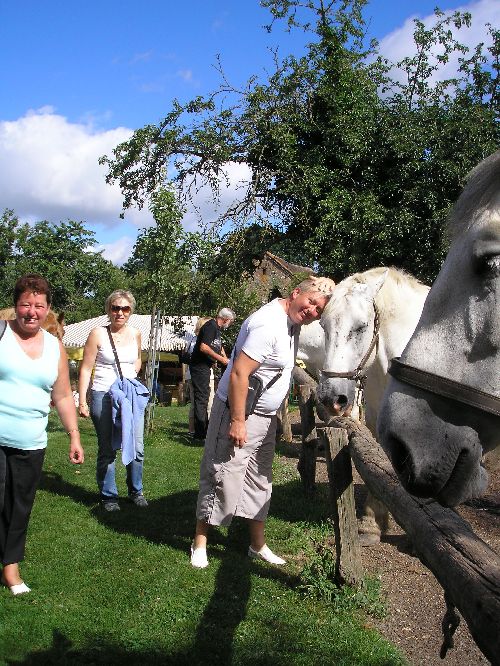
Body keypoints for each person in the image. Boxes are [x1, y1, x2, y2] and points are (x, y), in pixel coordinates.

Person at [191, 277, 336, 568]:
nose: (312, 311)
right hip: (240, 412)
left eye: (319, 309)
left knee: (260, 479)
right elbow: (239, 374)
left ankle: (257, 545)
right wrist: (237, 420)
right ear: (295, 293)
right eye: (311, 302)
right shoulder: (268, 325)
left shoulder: (291, 323)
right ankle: (200, 542)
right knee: (221, 473)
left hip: (265, 417)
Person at [0, 274, 84, 595]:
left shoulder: (55, 348)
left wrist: (74, 435)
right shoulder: (1, 335)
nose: (31, 312)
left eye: (39, 305)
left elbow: (63, 395)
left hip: (31, 442)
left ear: (48, 309)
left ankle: (11, 568)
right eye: (25, 304)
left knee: (20, 507)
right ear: (15, 306)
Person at [78, 290, 147, 511]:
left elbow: (137, 360)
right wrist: (82, 400)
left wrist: (131, 378)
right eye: (115, 308)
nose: (120, 312)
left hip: (129, 396)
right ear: (108, 310)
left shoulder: (136, 333)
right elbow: (86, 368)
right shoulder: (97, 333)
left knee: (136, 446)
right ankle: (109, 496)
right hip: (103, 394)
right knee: (107, 448)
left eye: (125, 308)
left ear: (131, 311)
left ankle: (136, 491)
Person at [188, 308, 235, 441]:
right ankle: (200, 434)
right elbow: (204, 347)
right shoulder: (210, 326)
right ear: (225, 319)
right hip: (199, 367)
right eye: (230, 322)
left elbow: (217, 345)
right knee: (201, 399)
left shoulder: (216, 329)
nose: (230, 325)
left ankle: (205, 430)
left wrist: (226, 359)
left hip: (206, 367)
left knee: (206, 398)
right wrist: (221, 359)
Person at [184, 316, 211, 437]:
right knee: (205, 403)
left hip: (192, 374)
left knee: (195, 403)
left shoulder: (191, 340)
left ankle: (193, 429)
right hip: (201, 374)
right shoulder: (200, 341)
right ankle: (202, 430)